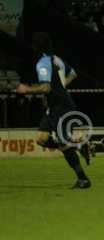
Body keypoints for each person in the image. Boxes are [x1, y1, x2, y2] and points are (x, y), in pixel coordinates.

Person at [16, 32, 92, 189]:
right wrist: (61, 87)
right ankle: (78, 147)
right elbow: (73, 74)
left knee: (62, 143)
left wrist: (26, 89)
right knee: (41, 139)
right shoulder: (57, 59)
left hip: (60, 106)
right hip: (55, 106)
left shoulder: (42, 63)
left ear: (36, 47)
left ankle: (83, 179)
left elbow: (45, 87)